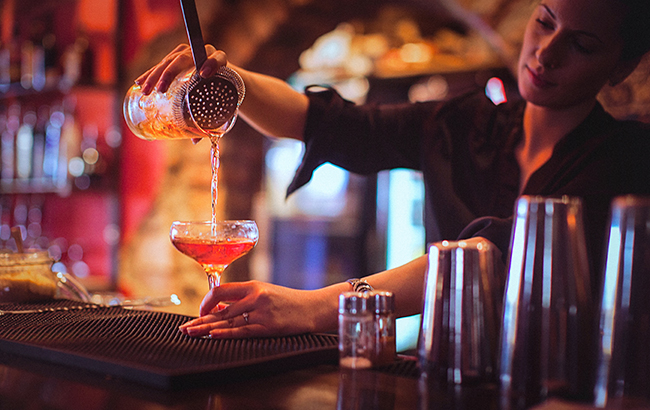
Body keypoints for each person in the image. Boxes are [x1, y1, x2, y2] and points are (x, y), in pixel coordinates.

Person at [135, 0, 650, 339]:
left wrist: (315, 307)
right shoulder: (469, 121)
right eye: (544, 21)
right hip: (441, 374)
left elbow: (492, 256)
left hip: (554, 389)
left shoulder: (625, 158)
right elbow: (322, 122)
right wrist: (226, 75)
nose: (547, 52)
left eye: (581, 45)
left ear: (622, 66)